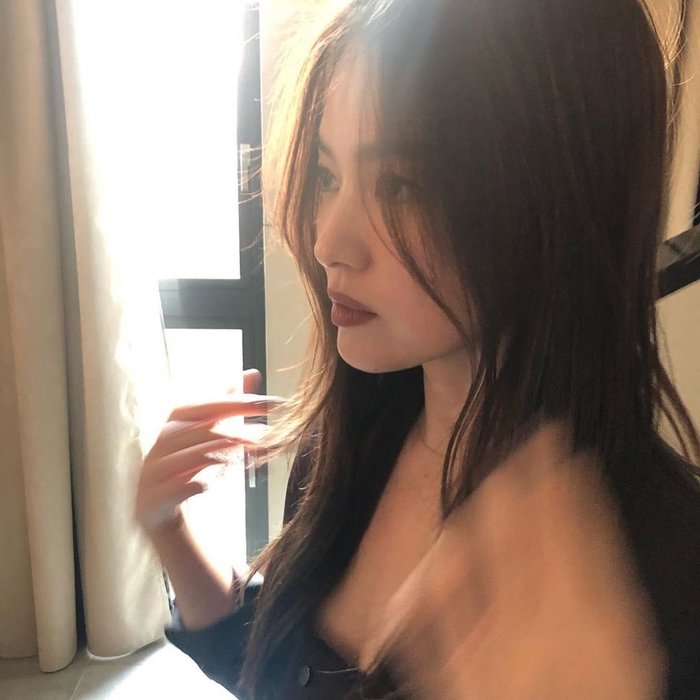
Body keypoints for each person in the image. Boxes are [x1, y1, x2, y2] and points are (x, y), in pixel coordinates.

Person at [134, 0, 700, 698]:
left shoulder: (661, 571)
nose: (327, 243)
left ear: (555, 198)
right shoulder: (342, 447)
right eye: (327, 176)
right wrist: (172, 532)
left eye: (401, 186)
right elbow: (281, 676)